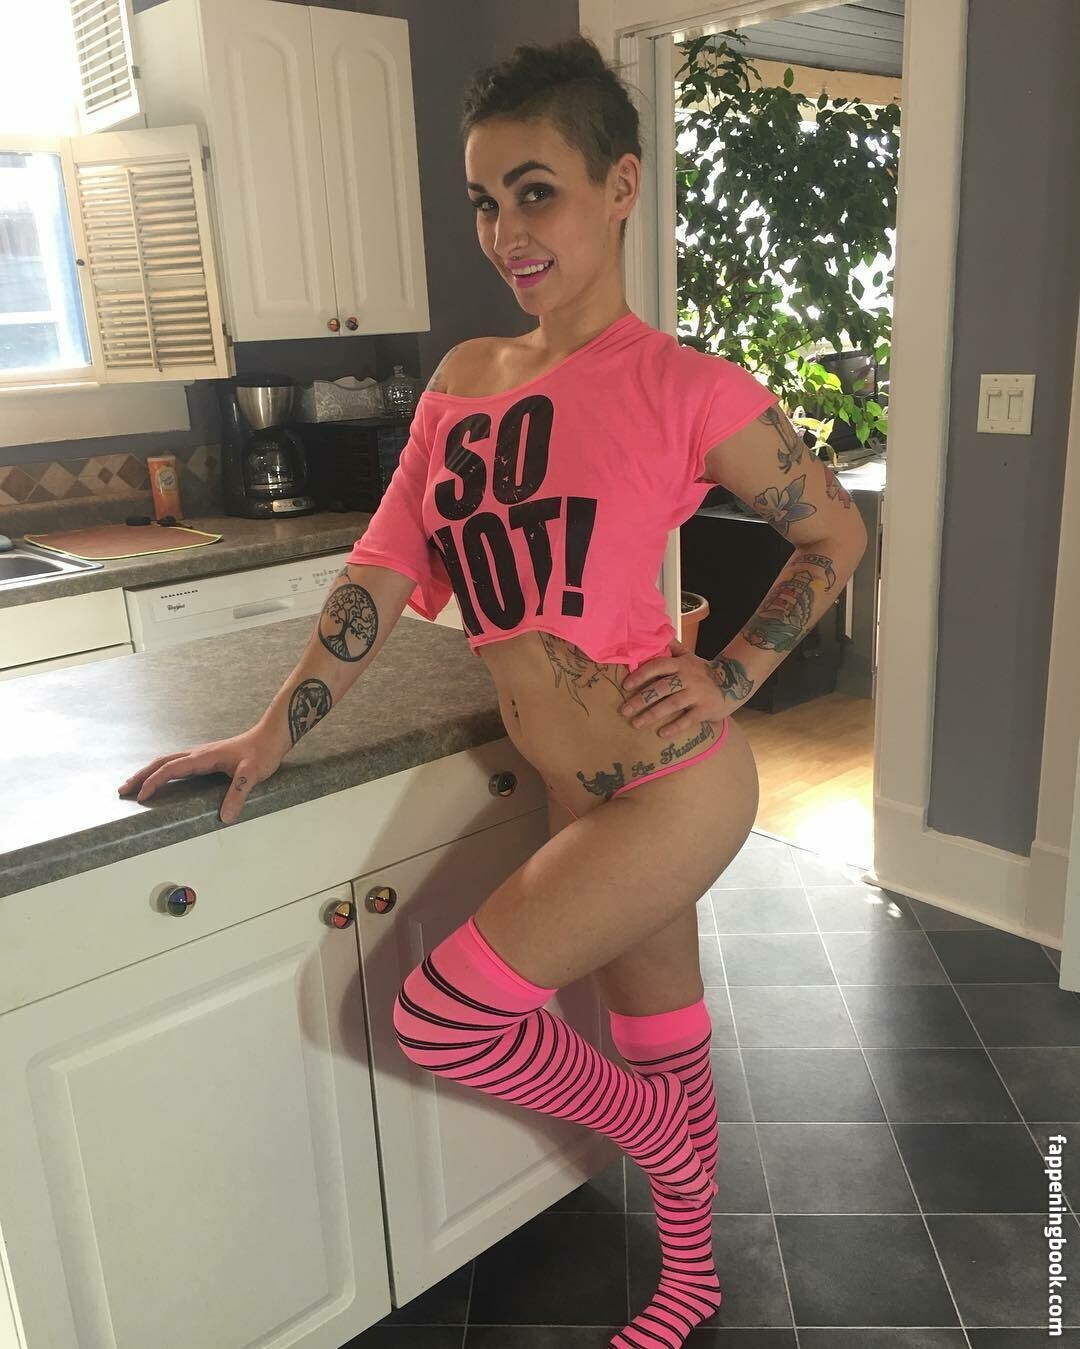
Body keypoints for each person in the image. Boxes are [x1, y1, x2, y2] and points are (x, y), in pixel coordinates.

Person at [119, 34, 867, 1348]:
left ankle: (659, 1150)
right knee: (657, 1028)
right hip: (573, 788)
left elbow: (833, 535)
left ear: (619, 186)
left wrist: (731, 674)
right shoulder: (462, 381)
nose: (506, 232)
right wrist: (270, 730)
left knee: (442, 1015)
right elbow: (382, 568)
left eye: (536, 193)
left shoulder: (686, 386)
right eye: (483, 200)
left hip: (673, 785)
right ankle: (692, 1278)